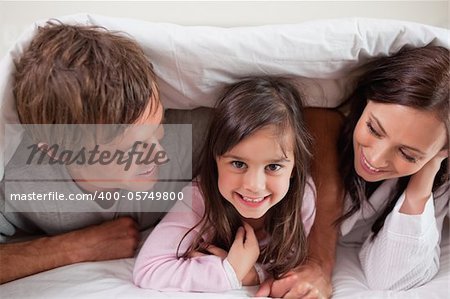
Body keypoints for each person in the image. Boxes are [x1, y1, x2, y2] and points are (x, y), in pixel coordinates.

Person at [0, 22, 168, 284]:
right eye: (129, 148)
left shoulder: (199, 134)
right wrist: (77, 247)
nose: (158, 154)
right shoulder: (20, 180)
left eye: (158, 127)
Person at [133, 77, 317, 292]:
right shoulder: (198, 199)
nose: (254, 185)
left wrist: (253, 273)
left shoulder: (302, 200)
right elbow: (148, 269)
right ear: (216, 159)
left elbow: (286, 267)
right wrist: (229, 271)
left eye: (273, 167)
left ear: (294, 167)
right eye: (238, 164)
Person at [337, 45, 449, 290]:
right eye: (373, 129)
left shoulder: (437, 180)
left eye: (408, 154)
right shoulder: (323, 131)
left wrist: (425, 175)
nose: (375, 160)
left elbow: (390, 279)